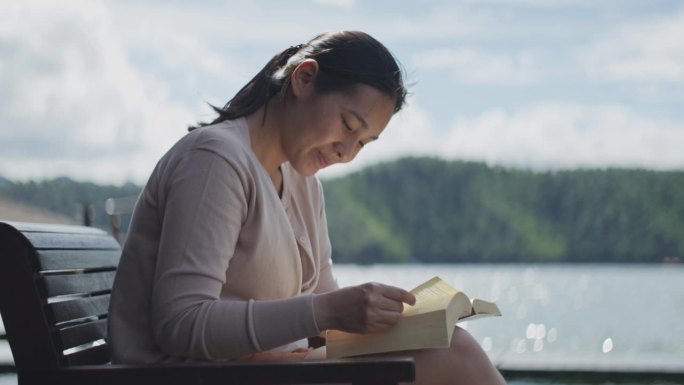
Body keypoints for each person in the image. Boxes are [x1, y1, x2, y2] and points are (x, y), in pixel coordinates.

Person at [108, 30, 506, 385]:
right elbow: (180, 323)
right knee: (455, 357)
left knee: (448, 344)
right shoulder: (215, 161)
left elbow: (322, 303)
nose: (346, 152)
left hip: (272, 366)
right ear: (304, 78)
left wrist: (393, 320)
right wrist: (327, 311)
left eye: (363, 142)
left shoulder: (301, 181)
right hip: (194, 374)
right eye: (349, 126)